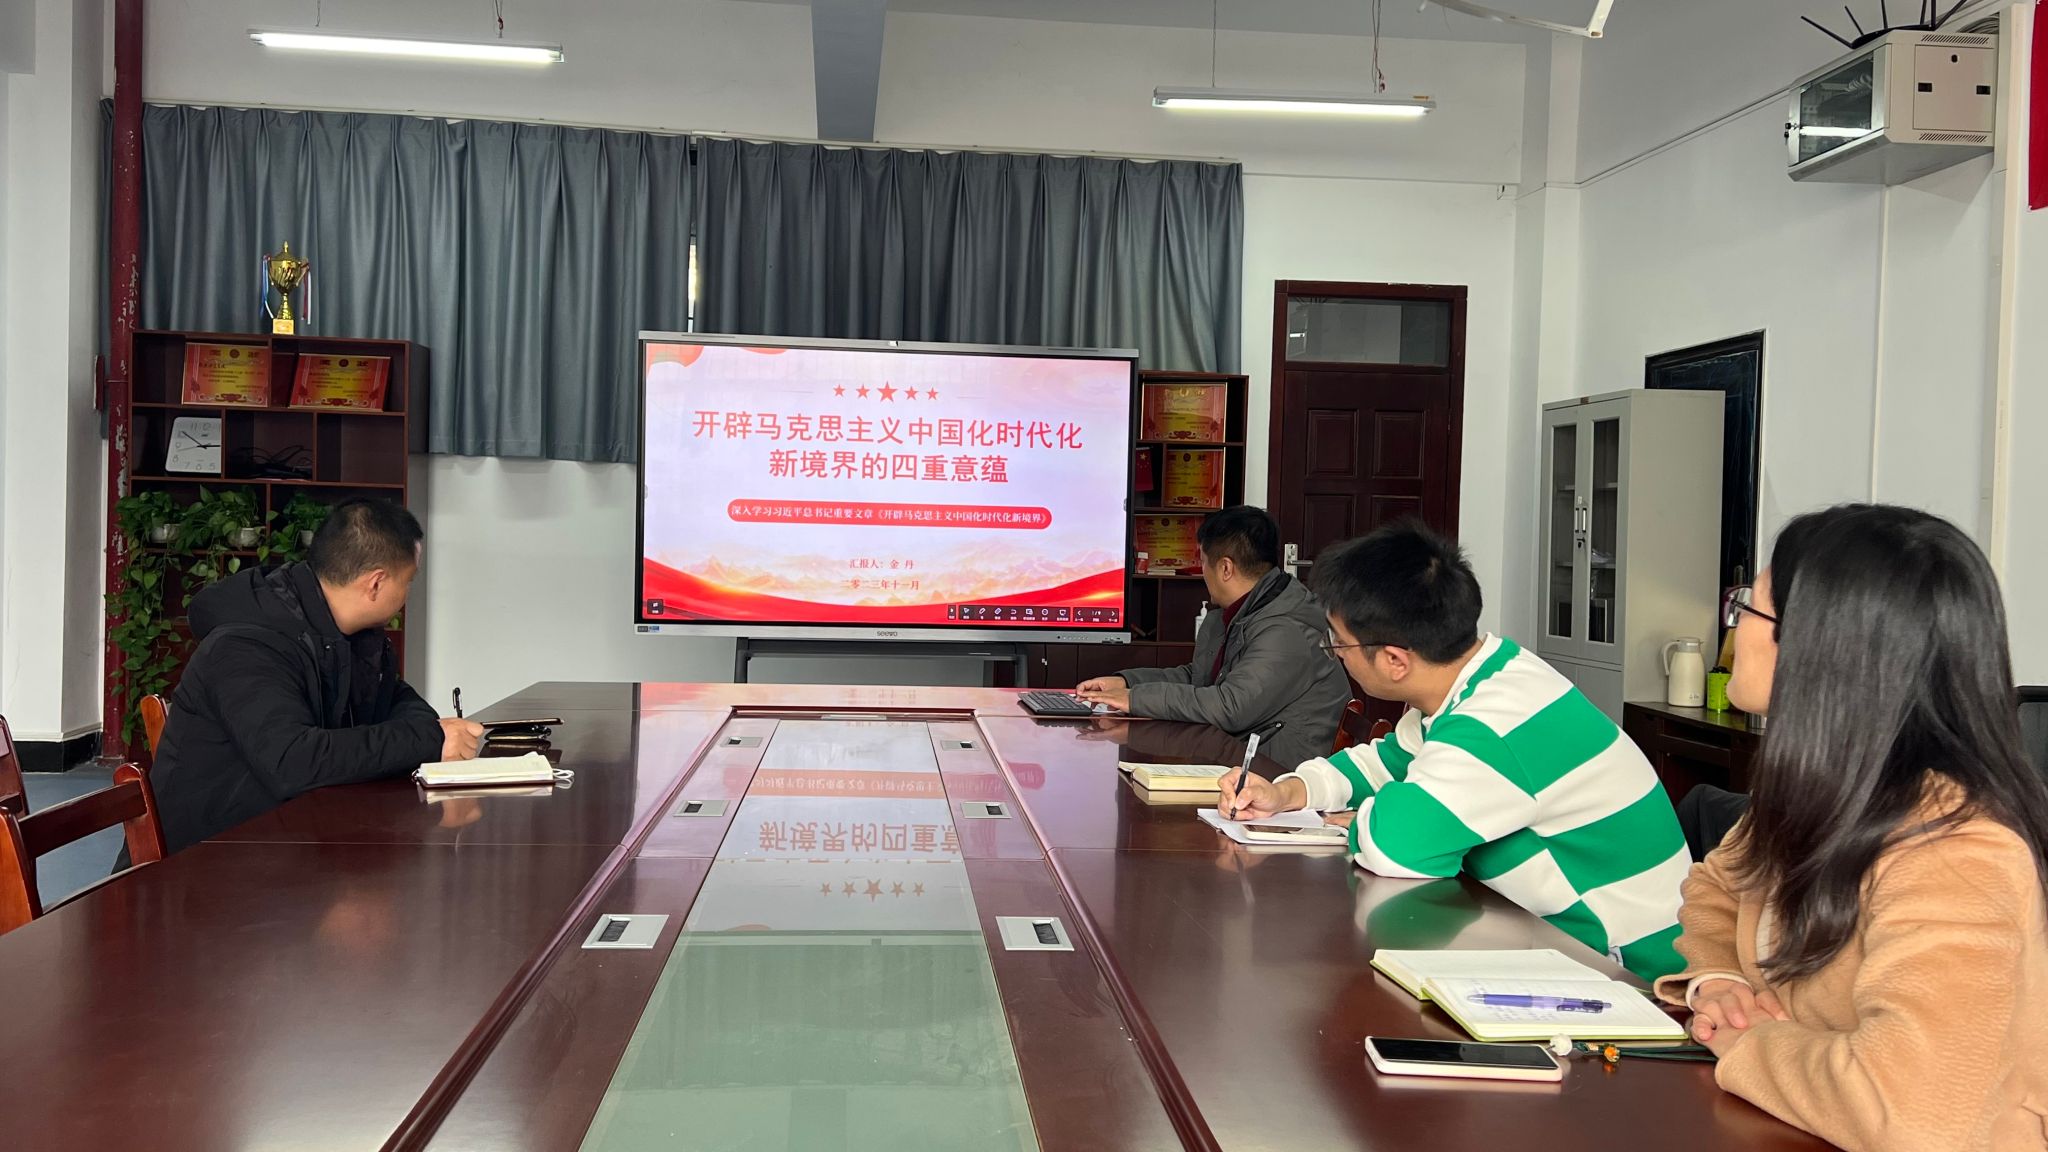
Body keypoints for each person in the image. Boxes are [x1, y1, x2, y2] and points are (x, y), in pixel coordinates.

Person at [1651, 505, 2048, 1152]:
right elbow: (1717, 888)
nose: (1733, 632)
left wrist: (1753, 1045)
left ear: (1818, 646)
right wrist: (1721, 981)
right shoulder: (1828, 790)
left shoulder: (1956, 849)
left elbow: (1911, 1114)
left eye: (1747, 610)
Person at [1219, 521, 1690, 979]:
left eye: (1339, 643)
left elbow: (1396, 850)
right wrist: (1290, 792)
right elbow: (1387, 762)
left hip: (1624, 976)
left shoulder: (1493, 722)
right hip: (1538, 938)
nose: (1336, 653)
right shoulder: (1482, 674)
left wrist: (1366, 817)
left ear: (1395, 660)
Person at [147, 499, 483, 854]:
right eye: (408, 581)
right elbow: (294, 762)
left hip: (290, 842)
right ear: (375, 584)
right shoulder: (244, 646)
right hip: (204, 863)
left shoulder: (345, 634)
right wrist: (431, 738)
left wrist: (431, 732)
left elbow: (398, 701)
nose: (407, 594)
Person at [1077, 505, 1351, 771]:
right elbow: (1201, 678)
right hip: (1243, 755)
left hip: (1282, 774)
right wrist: (1127, 683)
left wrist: (1135, 699)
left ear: (1226, 568)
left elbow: (1230, 707)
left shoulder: (1285, 628)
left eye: (1203, 562)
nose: (1202, 572)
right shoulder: (1249, 609)